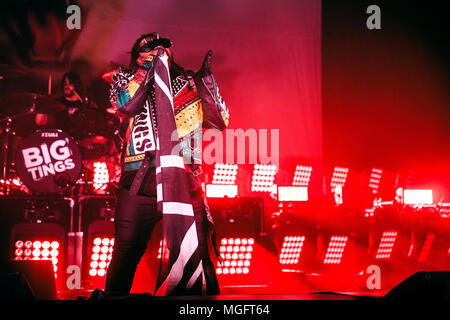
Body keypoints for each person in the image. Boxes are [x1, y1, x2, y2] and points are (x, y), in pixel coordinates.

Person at [105, 32, 229, 296]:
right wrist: (149, 68)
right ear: (136, 55)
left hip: (184, 180)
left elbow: (220, 123)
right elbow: (126, 106)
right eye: (149, 47)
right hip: (140, 179)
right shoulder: (124, 79)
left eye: (164, 45)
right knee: (126, 250)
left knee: (196, 253)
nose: (159, 49)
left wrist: (206, 82)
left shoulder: (190, 82)